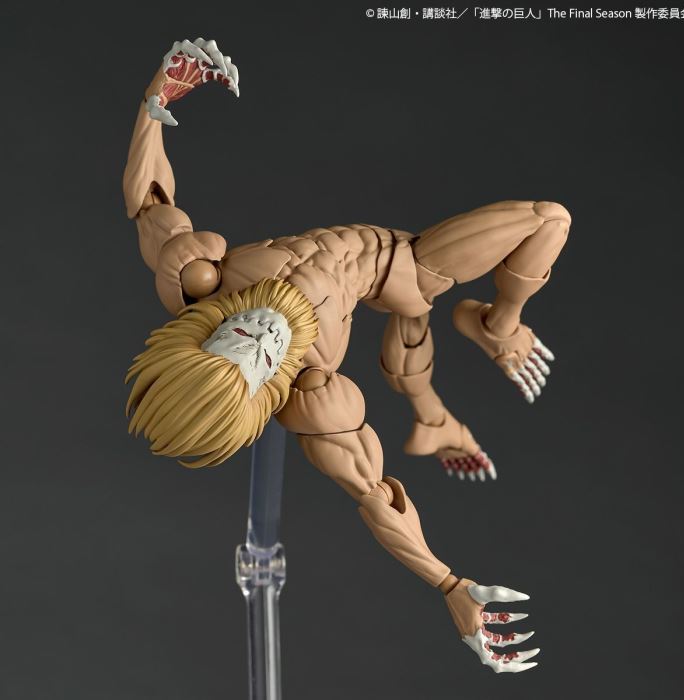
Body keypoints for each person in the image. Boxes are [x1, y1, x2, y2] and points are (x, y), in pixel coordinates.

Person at [124, 38, 571, 673]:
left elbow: (149, 202)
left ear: (202, 337)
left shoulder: (200, 276)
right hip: (399, 267)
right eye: (257, 361)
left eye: (234, 341)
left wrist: (157, 99)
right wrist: (451, 585)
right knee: (536, 227)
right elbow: (374, 493)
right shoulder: (315, 391)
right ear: (261, 395)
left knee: (544, 224)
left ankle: (490, 336)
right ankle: (455, 387)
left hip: (392, 258)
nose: (261, 336)